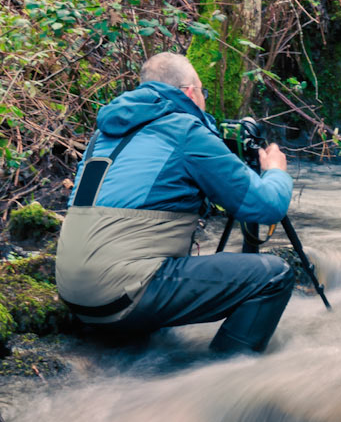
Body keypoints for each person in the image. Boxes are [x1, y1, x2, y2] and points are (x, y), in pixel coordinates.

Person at [55, 53, 296, 355]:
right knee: (274, 275)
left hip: (75, 295)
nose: (204, 100)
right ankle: (223, 377)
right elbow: (266, 205)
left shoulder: (101, 135)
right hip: (122, 296)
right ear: (189, 92)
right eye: (203, 92)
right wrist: (275, 171)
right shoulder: (184, 130)